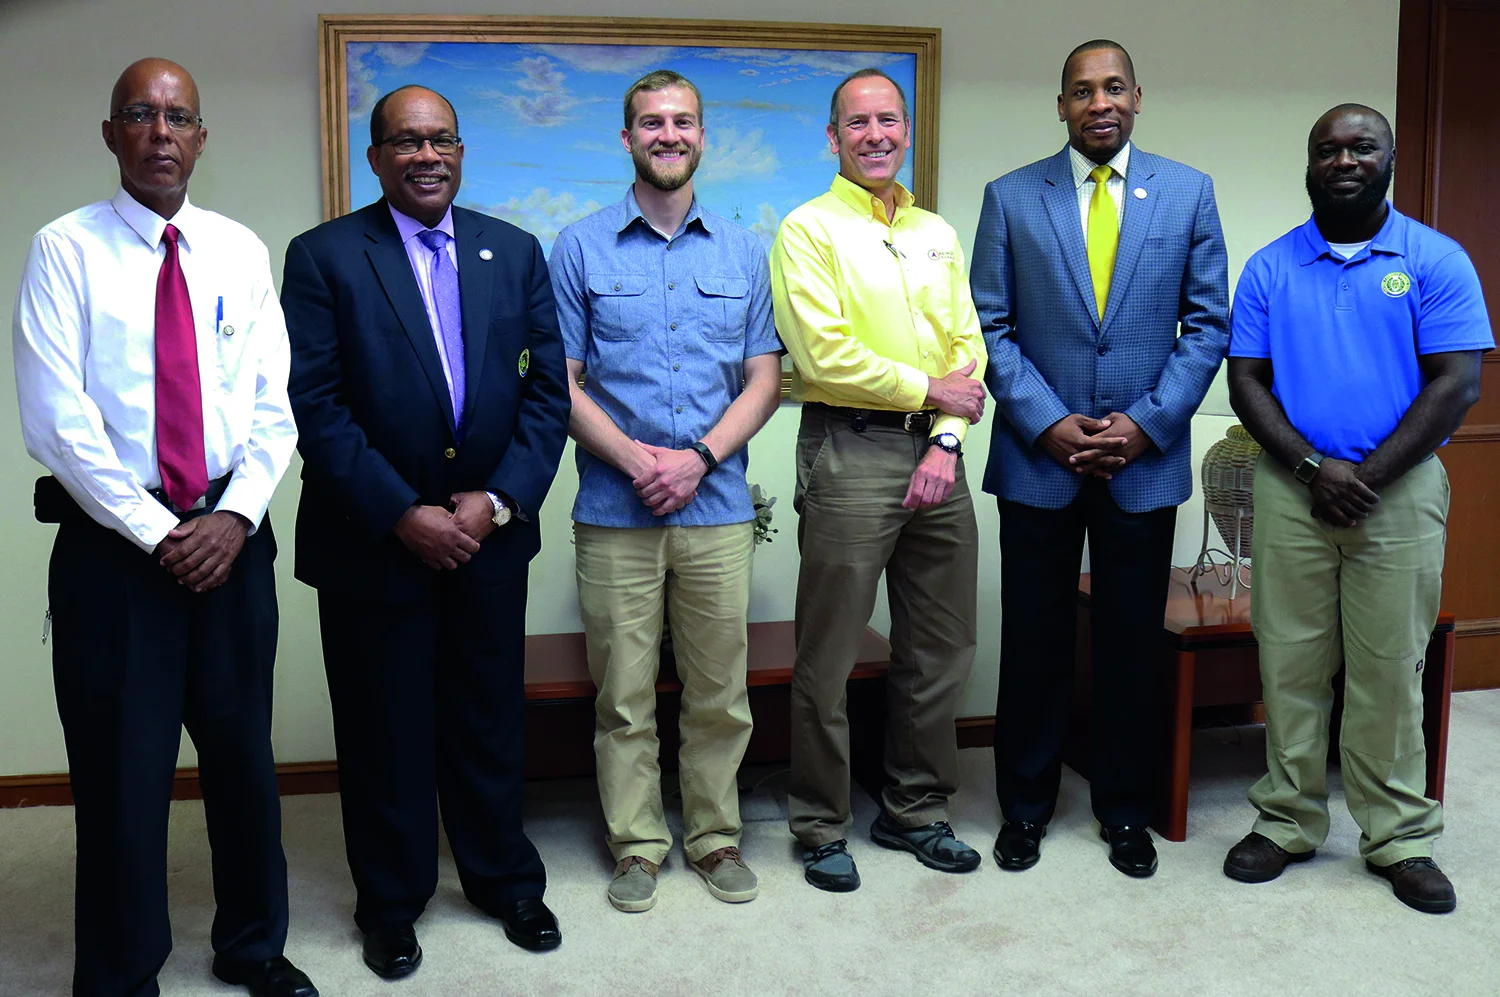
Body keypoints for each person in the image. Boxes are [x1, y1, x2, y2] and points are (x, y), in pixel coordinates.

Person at [12, 58, 314, 997]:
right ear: (111, 134)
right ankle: (118, 972)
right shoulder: (63, 249)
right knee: (120, 781)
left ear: (201, 137)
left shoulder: (237, 249)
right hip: (118, 555)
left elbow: (276, 403)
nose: (161, 133)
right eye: (140, 115)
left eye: (178, 116)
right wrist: (162, 532)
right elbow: (57, 421)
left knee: (242, 765)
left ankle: (254, 946)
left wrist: (231, 515)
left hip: (233, 542)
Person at [280, 85, 571, 977]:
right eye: (404, 141)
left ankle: (503, 879)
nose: (426, 155)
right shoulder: (326, 256)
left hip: (489, 536)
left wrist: (497, 500)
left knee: (488, 720)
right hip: (375, 542)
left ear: (460, 150)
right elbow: (315, 406)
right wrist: (403, 513)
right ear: (376, 158)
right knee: (385, 729)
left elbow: (548, 395)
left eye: (441, 138)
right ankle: (392, 900)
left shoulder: (514, 252)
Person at [969, 39, 1229, 878]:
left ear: (1138, 96)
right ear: (1061, 107)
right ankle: (1025, 807)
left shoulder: (1189, 193)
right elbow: (990, 326)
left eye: (1113, 87)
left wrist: (1145, 425)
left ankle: (1126, 810)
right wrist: (1047, 423)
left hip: (1141, 463)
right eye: (1081, 91)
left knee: (1128, 645)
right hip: (1038, 461)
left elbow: (1208, 325)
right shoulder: (1011, 198)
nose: (1099, 102)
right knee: (1035, 643)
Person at [1223, 104, 1491, 914]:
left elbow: (1458, 381)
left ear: (1390, 159)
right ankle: (1288, 818)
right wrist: (1312, 468)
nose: (1344, 159)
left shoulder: (1436, 260)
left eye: (1360, 146)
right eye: (1328, 148)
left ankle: (1399, 836)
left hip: (1398, 491)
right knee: (1290, 665)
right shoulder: (1271, 267)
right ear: (1310, 162)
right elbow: (1246, 381)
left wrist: (1363, 474)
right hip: (1292, 486)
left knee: (1387, 671)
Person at [550, 69, 783, 913]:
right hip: (615, 512)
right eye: (651, 122)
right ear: (627, 139)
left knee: (722, 691)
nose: (668, 134)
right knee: (624, 695)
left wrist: (697, 458)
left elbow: (764, 378)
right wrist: (638, 461)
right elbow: (560, 381)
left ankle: (715, 837)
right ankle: (638, 844)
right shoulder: (577, 246)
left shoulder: (745, 248)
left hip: (717, 509)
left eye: (684, 120)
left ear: (702, 135)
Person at [771, 67, 989, 892]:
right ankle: (821, 822)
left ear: (905, 131)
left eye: (888, 120)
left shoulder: (937, 230)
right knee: (828, 655)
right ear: (833, 138)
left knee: (940, 645)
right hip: (851, 448)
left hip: (938, 454)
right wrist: (933, 390)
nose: (875, 134)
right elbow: (826, 357)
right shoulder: (807, 229)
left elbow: (966, 348)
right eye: (857, 123)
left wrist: (945, 437)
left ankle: (917, 809)